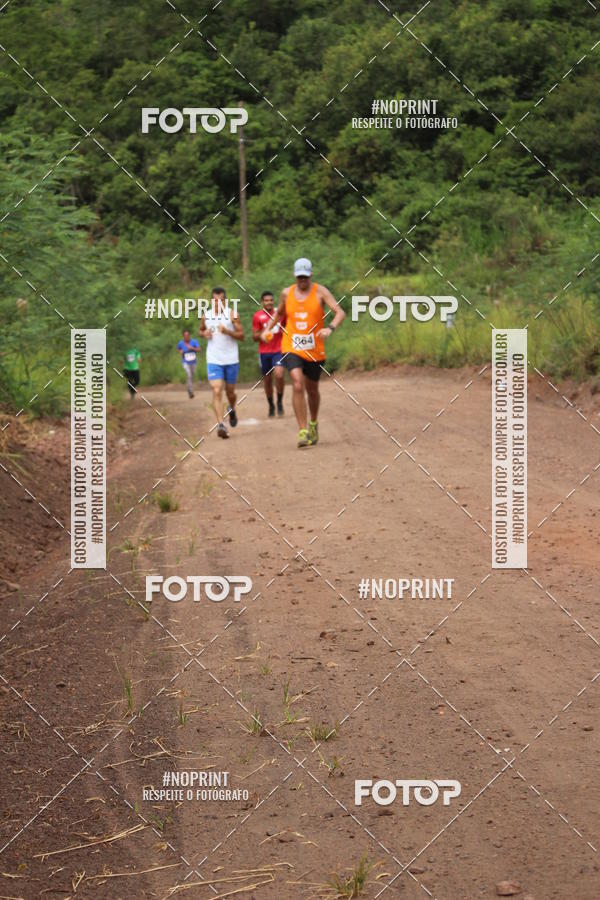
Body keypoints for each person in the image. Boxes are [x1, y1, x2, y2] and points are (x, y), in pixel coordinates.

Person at [266, 258, 345, 447]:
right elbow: (280, 313)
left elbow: (339, 312)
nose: (302, 280)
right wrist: (268, 328)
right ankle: (302, 430)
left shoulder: (321, 291)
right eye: (299, 276)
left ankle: (313, 423)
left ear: (310, 275)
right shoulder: (287, 293)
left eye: (305, 276)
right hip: (291, 346)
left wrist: (330, 328)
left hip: (314, 349)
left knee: (312, 389)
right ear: (295, 276)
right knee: (297, 383)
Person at [199, 288, 244, 439]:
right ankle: (221, 425)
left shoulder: (232, 315)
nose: (218, 302)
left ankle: (232, 409)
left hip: (231, 359)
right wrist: (204, 333)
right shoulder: (206, 315)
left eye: (221, 299)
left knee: (230, 392)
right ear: (212, 301)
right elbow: (201, 330)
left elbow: (242, 336)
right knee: (217, 390)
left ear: (226, 300)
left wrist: (227, 332)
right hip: (214, 359)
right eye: (215, 299)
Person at [252, 290, 285, 417]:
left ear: (274, 301)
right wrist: (262, 335)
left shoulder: (279, 314)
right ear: (262, 302)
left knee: (279, 374)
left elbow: (287, 328)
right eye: (266, 300)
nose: (269, 302)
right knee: (267, 381)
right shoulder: (257, 316)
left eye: (271, 300)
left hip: (279, 350)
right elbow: (254, 337)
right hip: (264, 352)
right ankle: (271, 404)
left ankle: (280, 401)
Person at [177, 329, 200, 398]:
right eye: (185, 336)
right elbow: (178, 349)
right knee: (189, 374)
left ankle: (189, 388)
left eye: (187, 335)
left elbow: (199, 349)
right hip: (185, 361)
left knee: (192, 376)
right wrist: (180, 351)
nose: (186, 337)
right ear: (183, 336)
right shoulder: (181, 343)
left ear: (189, 335)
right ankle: (190, 391)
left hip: (193, 362)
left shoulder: (194, 342)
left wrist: (192, 348)